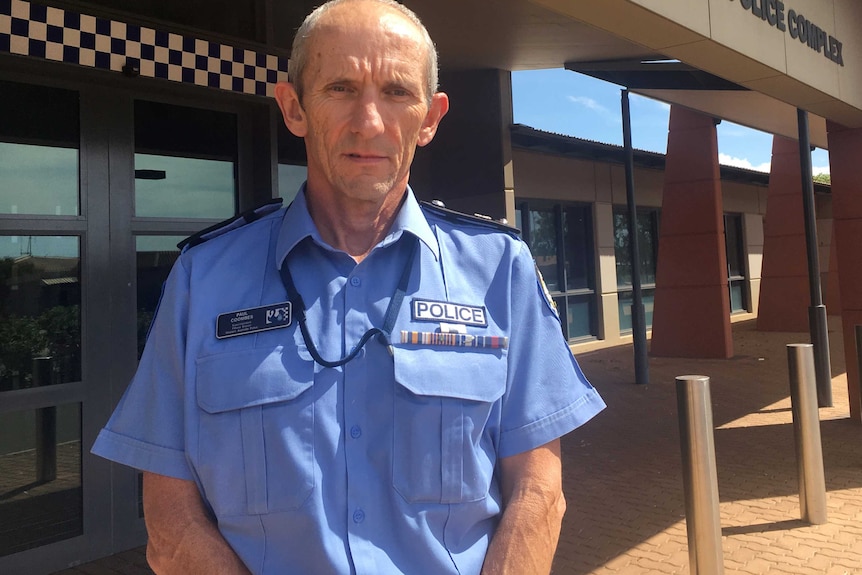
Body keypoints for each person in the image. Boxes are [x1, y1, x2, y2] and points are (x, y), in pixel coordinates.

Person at [92, 0, 605, 573]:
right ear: (294, 108)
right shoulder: (203, 280)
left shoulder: (499, 272)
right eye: (340, 87)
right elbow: (169, 518)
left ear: (431, 118)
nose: (370, 122)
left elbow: (538, 492)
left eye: (396, 92)